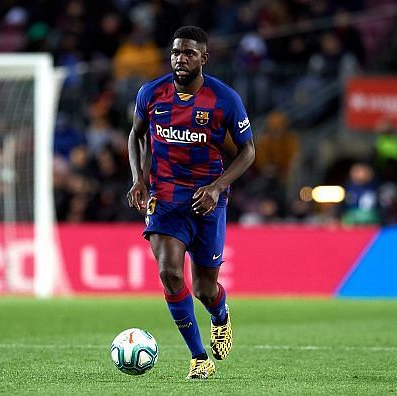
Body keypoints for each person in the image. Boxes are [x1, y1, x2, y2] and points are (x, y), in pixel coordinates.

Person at [126, 26, 255, 379]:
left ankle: (221, 314)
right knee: (169, 272)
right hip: (165, 196)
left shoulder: (224, 99)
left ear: (203, 58)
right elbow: (136, 136)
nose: (180, 59)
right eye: (175, 52)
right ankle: (199, 357)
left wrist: (216, 187)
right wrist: (139, 178)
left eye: (188, 53)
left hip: (207, 200)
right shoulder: (151, 93)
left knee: (204, 288)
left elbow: (248, 151)